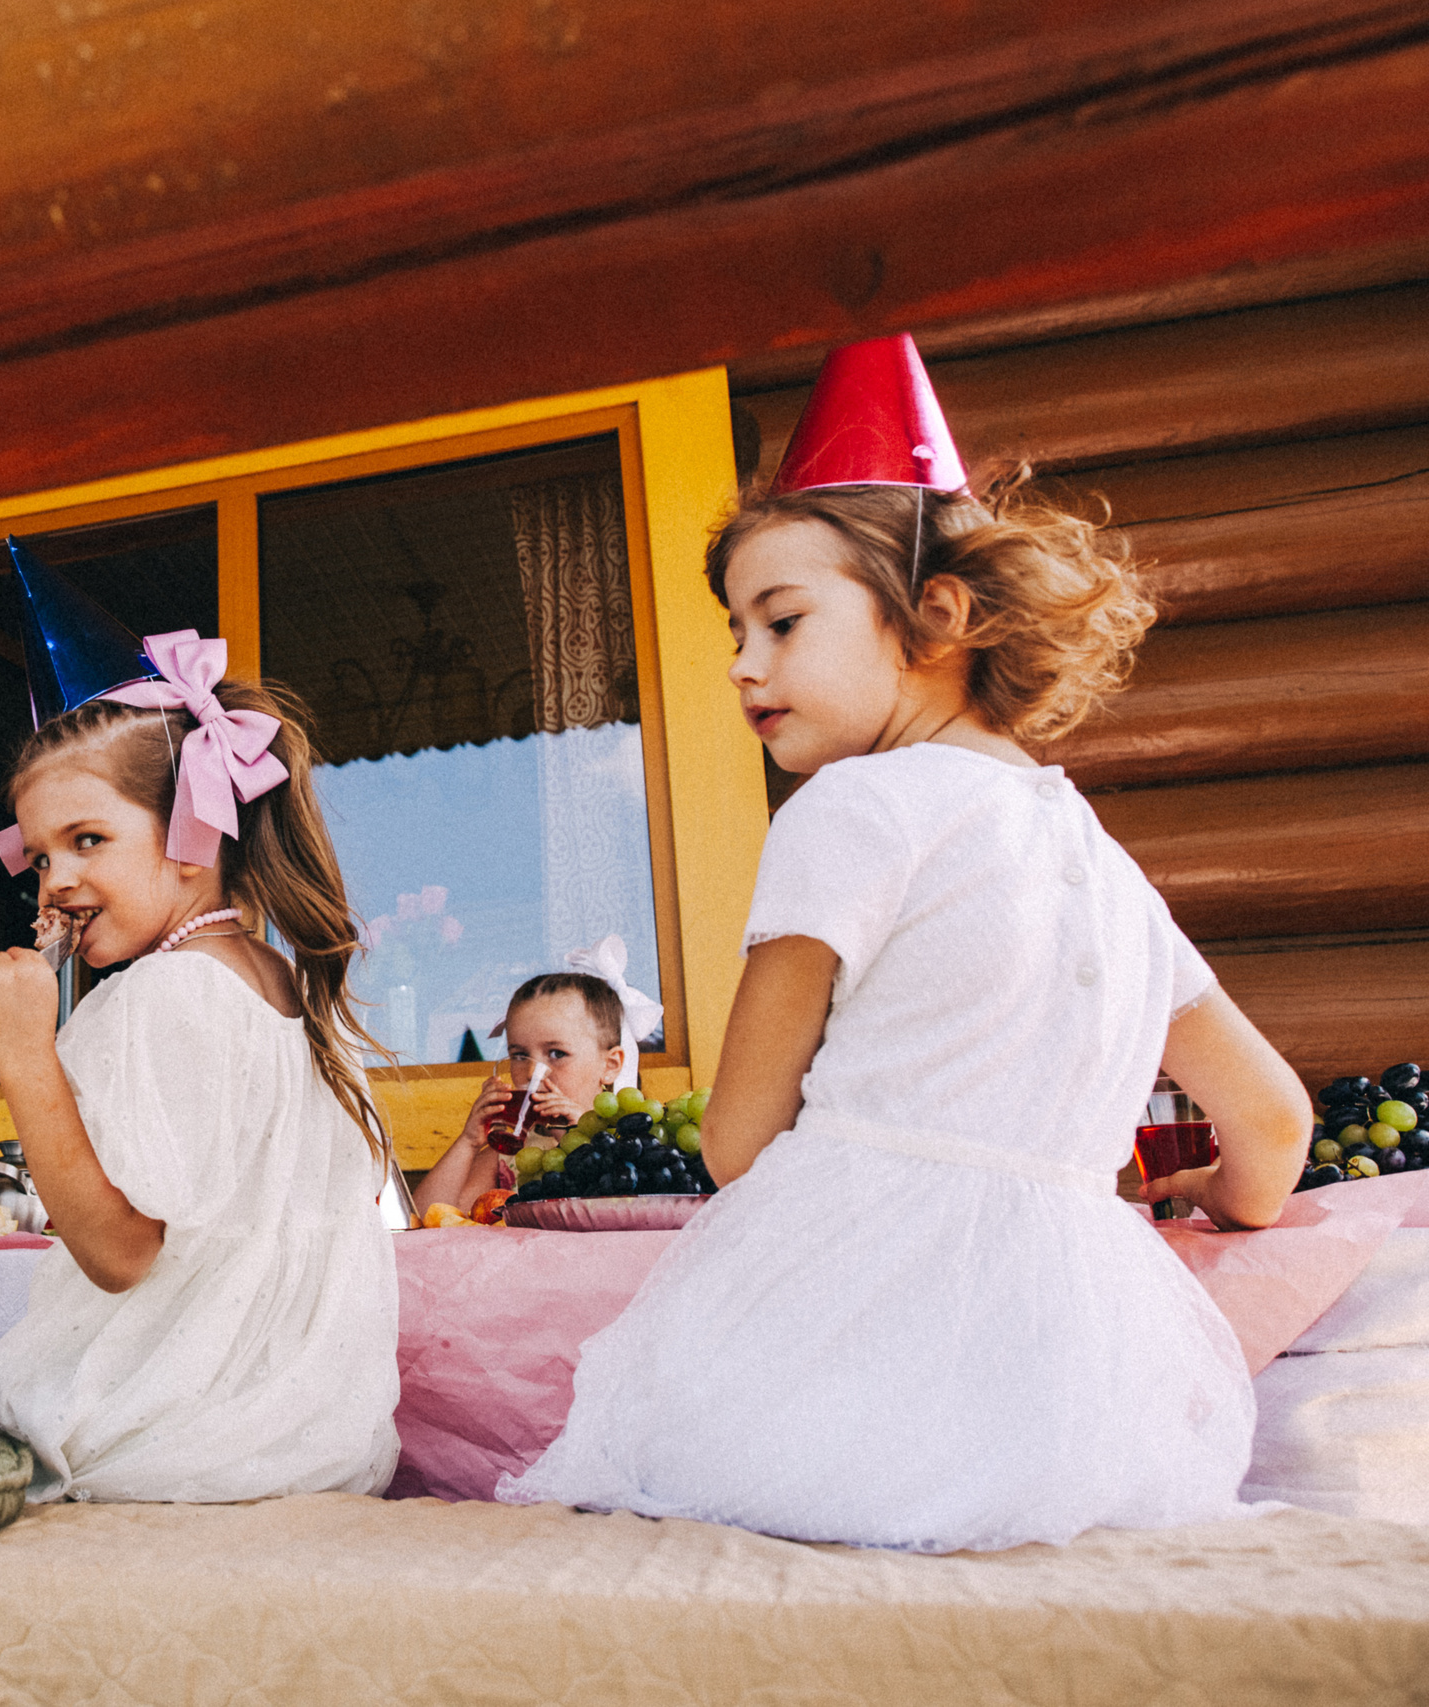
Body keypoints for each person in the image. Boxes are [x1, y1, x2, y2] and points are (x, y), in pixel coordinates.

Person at [497, 335, 1311, 1551]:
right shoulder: (1098, 859)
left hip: (865, 1333)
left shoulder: (851, 807)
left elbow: (735, 1141)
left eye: (781, 621)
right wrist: (1215, 1197)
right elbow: (1274, 1122)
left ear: (935, 616)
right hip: (1077, 1382)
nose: (742, 665)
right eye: (735, 632)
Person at [0, 589, 400, 1503]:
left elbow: (120, 1253)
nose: (55, 881)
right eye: (40, 856)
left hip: (166, 1438)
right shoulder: (296, 993)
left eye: (88, 839)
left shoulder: (161, 998)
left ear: (193, 834)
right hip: (302, 1440)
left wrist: (24, 1053)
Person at [416, 973, 625, 1213]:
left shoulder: (626, 1141)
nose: (532, 1072)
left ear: (610, 1066)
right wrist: (469, 1141)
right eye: (519, 1055)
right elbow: (427, 1215)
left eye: (557, 1053)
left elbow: (620, 1209)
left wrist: (574, 1138)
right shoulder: (511, 1151)